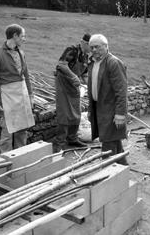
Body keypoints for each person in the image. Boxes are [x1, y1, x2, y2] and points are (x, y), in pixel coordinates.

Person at [0, 24, 35, 153]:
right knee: (8, 131)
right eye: (23, 36)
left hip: (22, 94)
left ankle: (21, 156)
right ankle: (6, 162)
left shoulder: (21, 53)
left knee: (22, 129)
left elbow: (26, 75)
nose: (25, 39)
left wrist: (31, 95)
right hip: (8, 96)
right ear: (15, 36)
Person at [87, 34, 128, 165]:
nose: (94, 50)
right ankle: (122, 167)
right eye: (91, 47)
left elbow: (121, 91)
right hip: (99, 108)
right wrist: (90, 109)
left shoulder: (113, 63)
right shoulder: (93, 63)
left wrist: (120, 113)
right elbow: (91, 89)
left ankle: (107, 172)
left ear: (106, 46)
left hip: (111, 109)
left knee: (108, 145)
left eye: (97, 47)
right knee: (113, 140)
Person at [53, 34, 91, 152]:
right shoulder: (72, 50)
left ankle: (72, 138)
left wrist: (90, 86)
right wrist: (73, 76)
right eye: (91, 46)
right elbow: (61, 64)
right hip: (63, 84)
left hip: (74, 85)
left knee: (76, 112)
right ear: (83, 43)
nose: (92, 49)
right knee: (64, 113)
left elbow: (84, 74)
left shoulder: (85, 57)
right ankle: (59, 142)